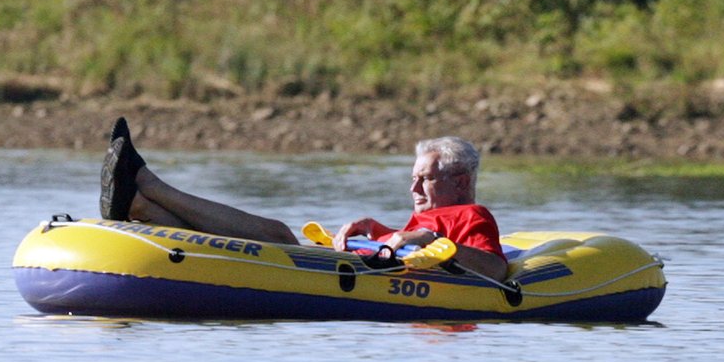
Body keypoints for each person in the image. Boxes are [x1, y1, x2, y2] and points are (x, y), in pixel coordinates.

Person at [100, 118, 508, 280]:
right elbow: (406, 246)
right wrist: (375, 230)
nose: (414, 189)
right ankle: (142, 205)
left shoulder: (473, 214)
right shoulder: (423, 221)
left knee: (277, 233)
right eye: (412, 179)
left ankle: (148, 185)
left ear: (460, 180)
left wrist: (432, 244)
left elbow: (493, 265)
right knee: (273, 237)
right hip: (362, 269)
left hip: (360, 281)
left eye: (426, 179)